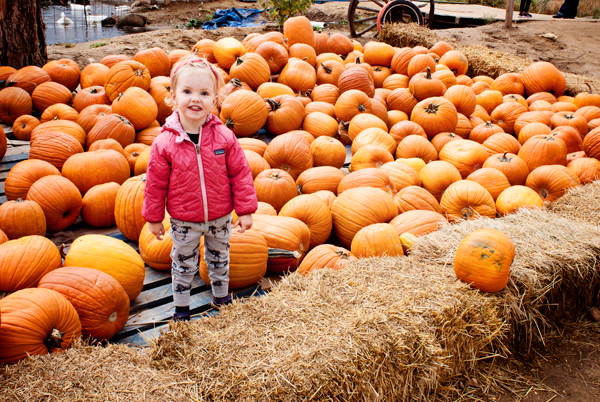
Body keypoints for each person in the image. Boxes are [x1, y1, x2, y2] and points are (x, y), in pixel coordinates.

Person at [142, 55, 258, 322]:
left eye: (204, 93)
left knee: (219, 260)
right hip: (184, 220)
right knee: (183, 265)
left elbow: (240, 174)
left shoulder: (224, 136)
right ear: (173, 97)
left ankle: (222, 298)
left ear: (215, 100)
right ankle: (182, 309)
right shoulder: (164, 143)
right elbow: (155, 184)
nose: (195, 99)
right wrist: (153, 217)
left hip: (220, 217)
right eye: (187, 91)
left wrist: (246, 210)